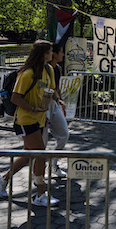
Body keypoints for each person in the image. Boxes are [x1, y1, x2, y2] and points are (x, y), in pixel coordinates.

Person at [0, 40, 60, 207]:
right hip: (26, 119)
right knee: (40, 155)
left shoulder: (49, 69)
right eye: (50, 51)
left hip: (40, 119)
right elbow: (16, 98)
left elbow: (51, 91)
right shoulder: (27, 73)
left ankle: (2, 179)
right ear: (44, 53)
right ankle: (40, 194)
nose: (52, 54)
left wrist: (59, 100)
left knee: (28, 155)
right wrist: (32, 108)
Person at [44, 43, 69, 178]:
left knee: (64, 134)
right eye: (61, 52)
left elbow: (56, 88)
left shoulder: (57, 69)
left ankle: (54, 164)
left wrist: (59, 100)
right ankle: (38, 175)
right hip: (41, 107)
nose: (63, 55)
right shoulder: (42, 69)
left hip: (53, 105)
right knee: (40, 144)